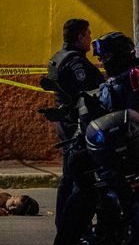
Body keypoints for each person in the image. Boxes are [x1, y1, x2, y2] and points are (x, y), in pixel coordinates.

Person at [29, 30, 139, 245]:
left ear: (119, 56)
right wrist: (69, 114)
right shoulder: (110, 84)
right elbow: (94, 110)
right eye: (101, 59)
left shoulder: (137, 79)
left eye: (106, 58)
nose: (103, 63)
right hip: (110, 160)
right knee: (76, 205)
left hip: (138, 157)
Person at [43, 18, 103, 233]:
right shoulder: (76, 62)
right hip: (77, 125)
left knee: (69, 177)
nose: (90, 39)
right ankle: (76, 226)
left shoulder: (58, 57)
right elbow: (90, 92)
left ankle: (66, 224)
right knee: (81, 178)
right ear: (79, 37)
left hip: (66, 123)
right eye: (87, 35)